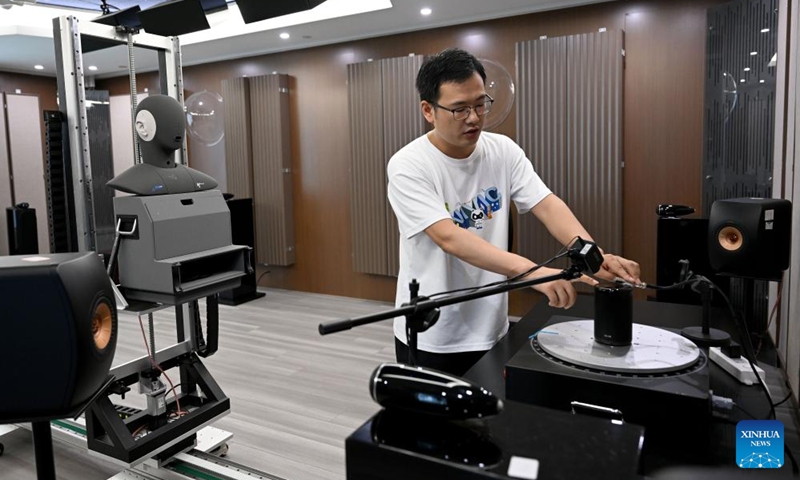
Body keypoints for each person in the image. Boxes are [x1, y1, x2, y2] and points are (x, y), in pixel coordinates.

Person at [387, 48, 641, 377]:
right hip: (433, 332)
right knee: (436, 428)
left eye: (480, 104)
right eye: (459, 109)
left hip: (492, 325)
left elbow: (547, 204)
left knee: (492, 421)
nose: (474, 118)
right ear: (428, 110)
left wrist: (592, 255)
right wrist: (531, 272)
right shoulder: (409, 165)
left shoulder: (503, 150)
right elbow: (448, 237)